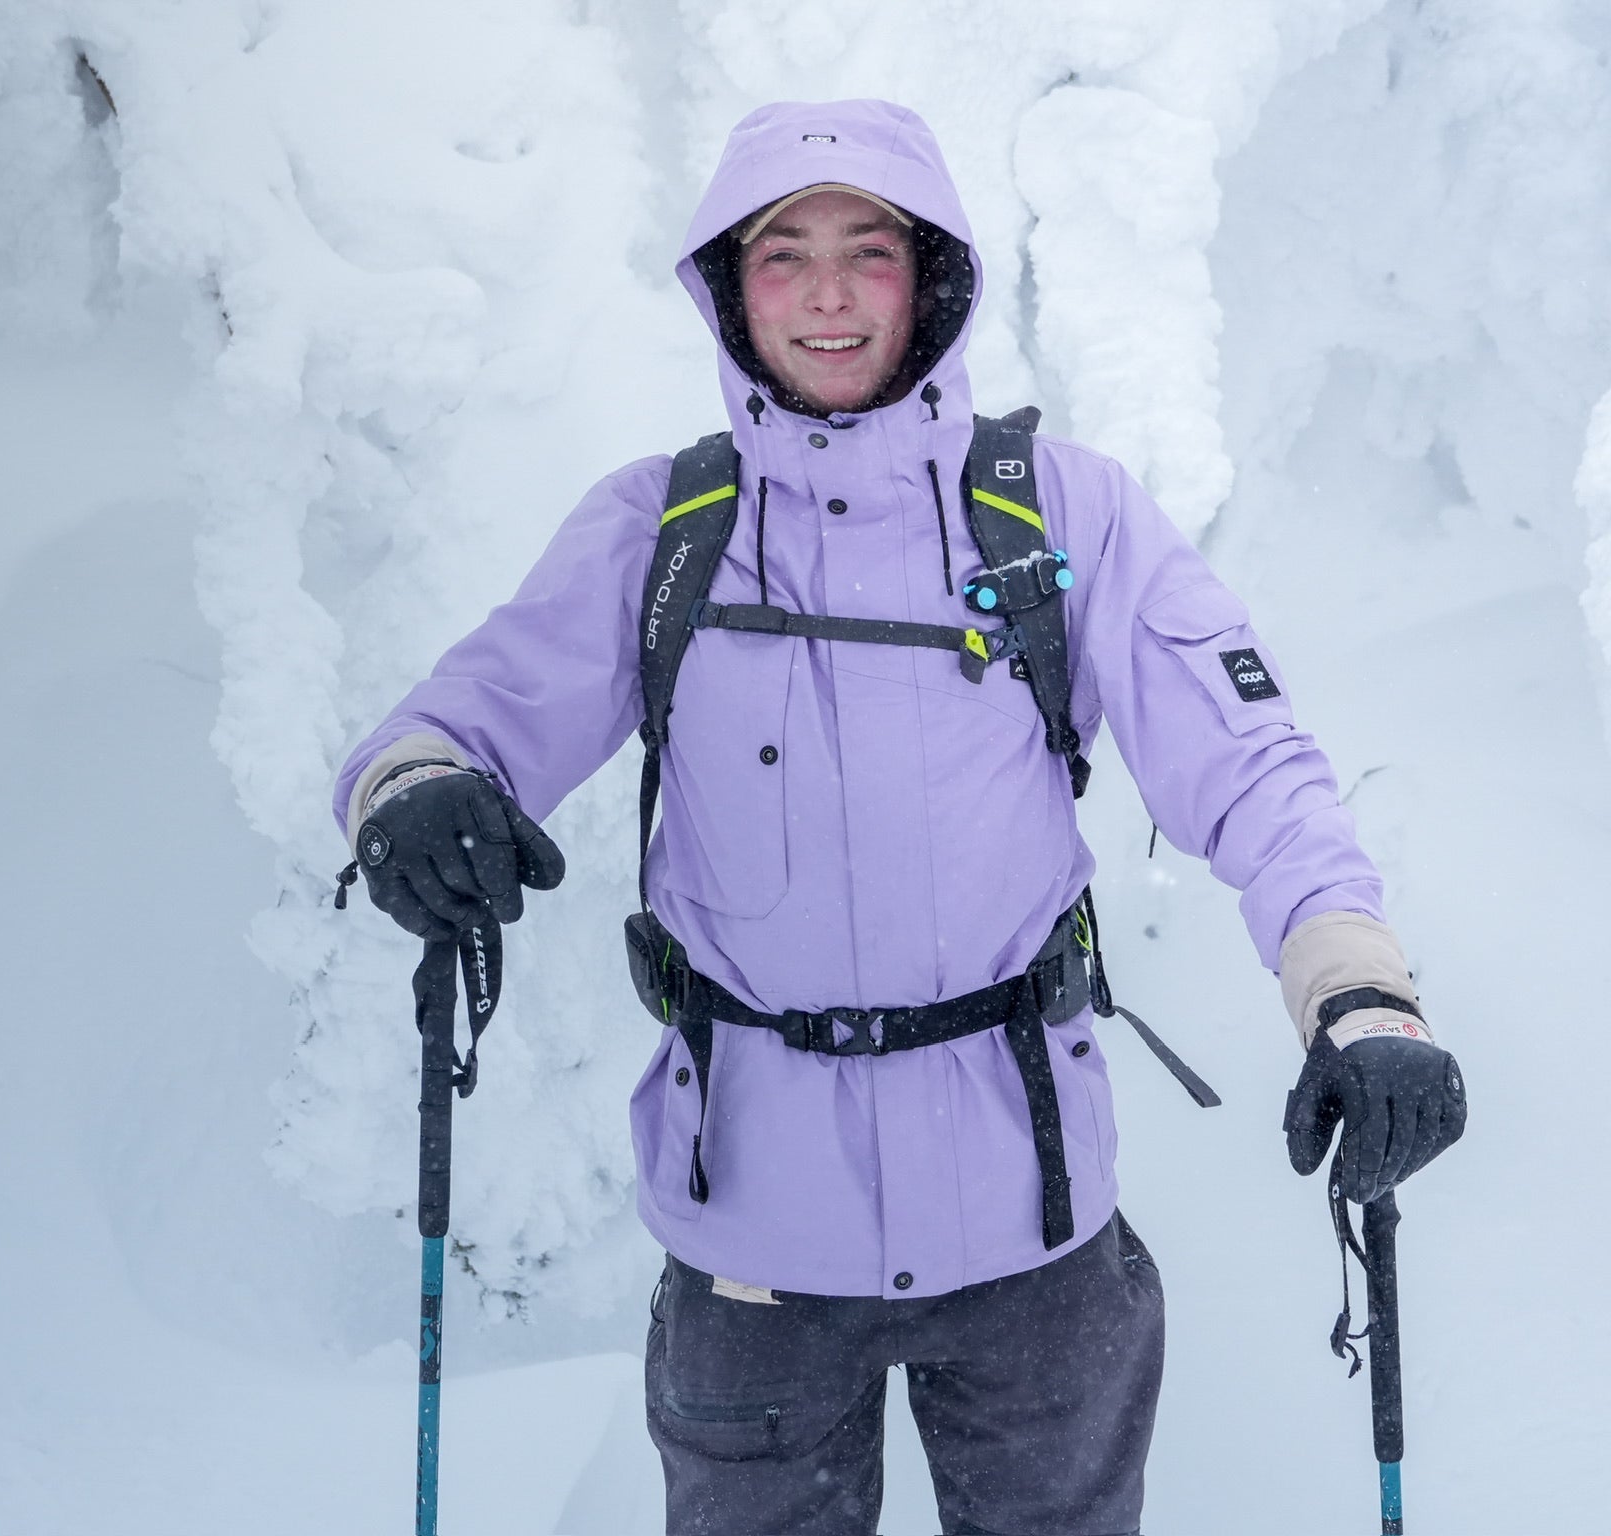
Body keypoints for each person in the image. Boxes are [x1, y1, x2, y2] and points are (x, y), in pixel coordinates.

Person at [336, 98, 1464, 1536]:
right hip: (752, 1253)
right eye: (779, 252)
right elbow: (456, 721)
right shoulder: (661, 531)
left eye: (867, 251)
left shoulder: (1063, 516)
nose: (823, 294)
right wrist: (416, 793)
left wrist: (1360, 998)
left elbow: (1252, 769)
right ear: (728, 287)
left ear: (927, 276)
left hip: (1034, 1245)